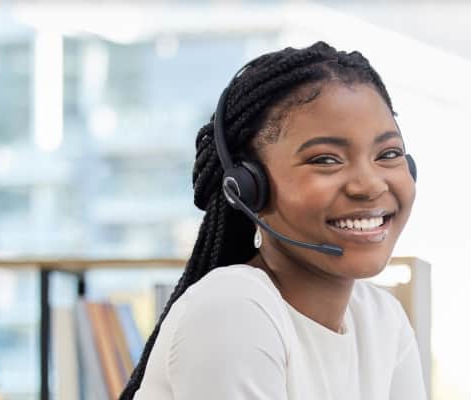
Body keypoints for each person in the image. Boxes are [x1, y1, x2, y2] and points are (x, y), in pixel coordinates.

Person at [121, 41, 425, 400]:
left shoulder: (381, 319)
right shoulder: (232, 310)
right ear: (249, 188)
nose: (370, 185)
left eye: (388, 154)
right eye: (326, 160)